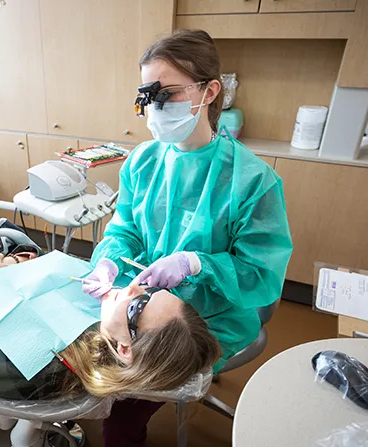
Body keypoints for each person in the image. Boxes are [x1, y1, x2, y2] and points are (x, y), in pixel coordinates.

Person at [82, 29, 293, 445]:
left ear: (209, 91)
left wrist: (196, 264)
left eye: (169, 94)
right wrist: (109, 258)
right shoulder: (142, 161)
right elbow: (125, 228)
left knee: (122, 409)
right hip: (145, 303)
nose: (155, 108)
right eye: (148, 96)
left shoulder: (253, 181)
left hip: (213, 317)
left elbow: (261, 274)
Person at [0, 252, 221, 400]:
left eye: (138, 305)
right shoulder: (105, 320)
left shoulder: (43, 365)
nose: (132, 287)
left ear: (125, 349)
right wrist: (20, 259)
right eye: (151, 291)